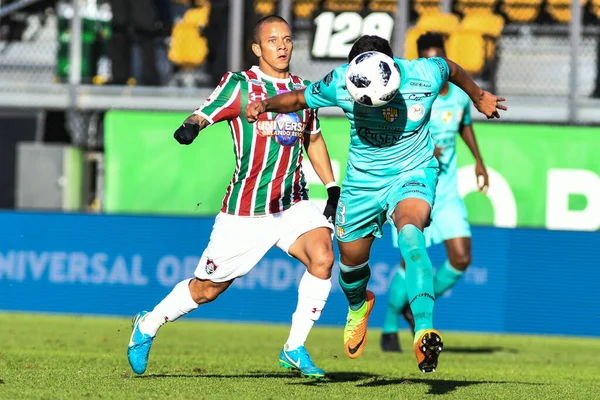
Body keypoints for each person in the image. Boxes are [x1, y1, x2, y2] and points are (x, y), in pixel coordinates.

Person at [245, 35, 506, 373]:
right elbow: (297, 99)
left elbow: (451, 69)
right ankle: (358, 305)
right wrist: (264, 104)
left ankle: (423, 329)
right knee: (350, 263)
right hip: (362, 184)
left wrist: (479, 95)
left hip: (413, 171)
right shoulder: (340, 81)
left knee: (412, 235)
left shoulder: (424, 73)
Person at [127, 15, 340, 379]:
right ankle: (149, 324)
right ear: (257, 48)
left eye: (287, 39)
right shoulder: (240, 85)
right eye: (273, 41)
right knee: (207, 289)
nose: (283, 46)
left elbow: (313, 139)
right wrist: (190, 128)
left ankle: (294, 348)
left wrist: (332, 188)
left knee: (322, 257)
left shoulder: (305, 90)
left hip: (292, 203)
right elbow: (205, 112)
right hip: (247, 210)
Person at [380, 32, 490, 353]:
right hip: (416, 186)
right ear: (421, 59)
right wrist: (426, 152)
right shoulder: (410, 92)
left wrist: (479, 162)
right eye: (428, 56)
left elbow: (464, 124)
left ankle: (412, 304)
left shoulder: (457, 96)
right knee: (408, 261)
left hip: (448, 193)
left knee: (462, 257)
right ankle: (389, 325)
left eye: (438, 56)